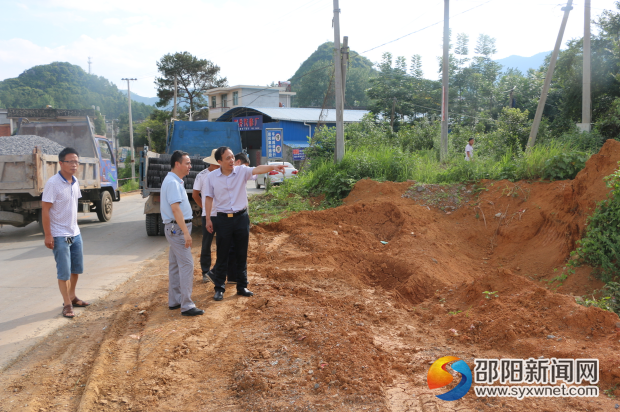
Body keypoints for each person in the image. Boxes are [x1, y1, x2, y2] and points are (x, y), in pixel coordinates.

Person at [204, 147, 286, 301]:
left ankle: (242, 286)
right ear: (219, 161)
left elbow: (257, 169)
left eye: (232, 157)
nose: (231, 161)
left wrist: (273, 167)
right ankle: (219, 288)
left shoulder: (241, 171)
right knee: (222, 254)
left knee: (242, 253)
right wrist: (208, 219)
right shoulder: (212, 177)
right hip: (223, 219)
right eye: (227, 158)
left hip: (241, 218)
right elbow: (208, 198)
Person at [42, 147, 90, 319]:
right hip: (59, 235)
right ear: (61, 163)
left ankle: (72, 296)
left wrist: (75, 228)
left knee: (76, 269)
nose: (74, 164)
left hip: (74, 233)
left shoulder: (75, 181)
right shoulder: (53, 183)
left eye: (76, 161)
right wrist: (48, 235)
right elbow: (45, 210)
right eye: (70, 161)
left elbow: (72, 208)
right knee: (64, 271)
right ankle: (67, 304)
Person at [160, 150, 204, 316]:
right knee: (187, 264)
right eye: (187, 163)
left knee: (175, 264)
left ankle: (175, 300)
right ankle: (186, 305)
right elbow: (175, 209)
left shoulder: (174, 181)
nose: (190, 166)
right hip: (177, 229)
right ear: (177, 164)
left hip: (175, 228)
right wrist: (186, 233)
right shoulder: (172, 182)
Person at [225, 152, 256, 285]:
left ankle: (236, 278)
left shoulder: (241, 173)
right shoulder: (222, 177)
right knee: (233, 248)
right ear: (237, 163)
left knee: (238, 249)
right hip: (229, 217)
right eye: (244, 166)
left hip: (240, 215)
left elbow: (254, 175)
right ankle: (230, 276)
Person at [191, 148, 220, 284]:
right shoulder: (202, 175)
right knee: (206, 243)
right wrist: (205, 209)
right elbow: (195, 195)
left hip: (222, 214)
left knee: (222, 243)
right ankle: (205, 271)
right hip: (208, 216)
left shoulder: (223, 173)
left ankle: (219, 270)